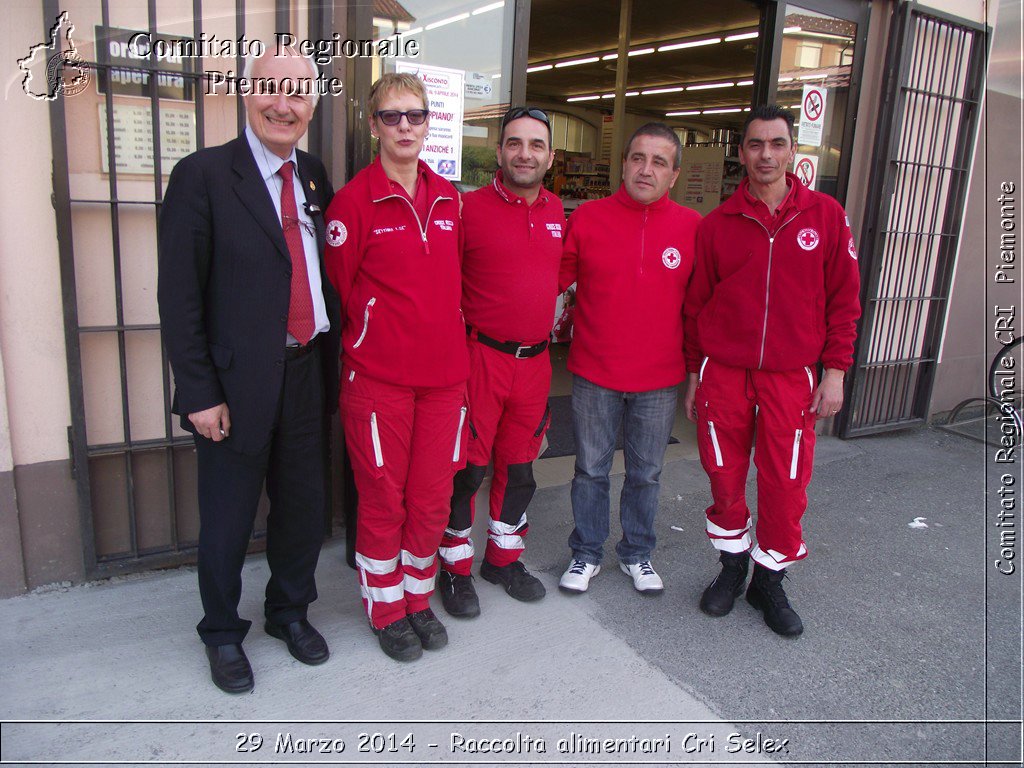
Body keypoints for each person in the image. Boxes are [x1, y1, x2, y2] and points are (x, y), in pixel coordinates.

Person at [157, 48, 338, 693]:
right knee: (229, 518)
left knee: (302, 508)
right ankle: (222, 633)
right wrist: (198, 391)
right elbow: (179, 297)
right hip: (233, 388)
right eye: (270, 89)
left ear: (313, 106)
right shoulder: (202, 175)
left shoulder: (314, 176)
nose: (283, 105)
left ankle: (289, 613)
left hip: (307, 371)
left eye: (298, 93)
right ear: (246, 93)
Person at [683, 104, 861, 637]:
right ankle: (732, 567)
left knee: (785, 482)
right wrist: (695, 374)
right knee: (724, 476)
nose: (766, 154)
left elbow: (844, 301)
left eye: (776, 144)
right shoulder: (717, 225)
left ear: (791, 151)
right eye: (755, 144)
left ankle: (769, 578)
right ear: (742, 153)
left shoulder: (825, 216)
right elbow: (696, 307)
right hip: (725, 374)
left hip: (792, 377)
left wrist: (836, 372)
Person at [324, 73, 469, 661]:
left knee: (432, 499)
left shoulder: (449, 197)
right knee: (383, 499)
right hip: (378, 381)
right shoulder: (352, 203)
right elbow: (339, 291)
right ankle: (385, 609)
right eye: (392, 116)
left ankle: (416, 597)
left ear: (429, 122)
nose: (405, 126)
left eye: (415, 115)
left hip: (444, 382)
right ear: (374, 125)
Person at [557, 123, 701, 595]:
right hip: (595, 371)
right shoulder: (588, 218)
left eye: (659, 162)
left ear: (674, 174)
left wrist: (698, 372)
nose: (646, 169)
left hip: (659, 379)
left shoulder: (691, 228)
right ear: (623, 164)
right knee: (591, 469)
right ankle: (586, 553)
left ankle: (637, 554)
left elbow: (699, 309)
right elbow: (551, 281)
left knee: (647, 473)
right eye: (638, 158)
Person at [437, 107, 565, 617]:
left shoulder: (558, 212)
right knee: (466, 470)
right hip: (479, 357)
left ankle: (503, 559)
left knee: (520, 469)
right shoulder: (469, 209)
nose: (525, 154)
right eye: (515, 143)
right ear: (499, 152)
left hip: (535, 364)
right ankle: (455, 567)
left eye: (536, 145)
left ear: (550, 157)